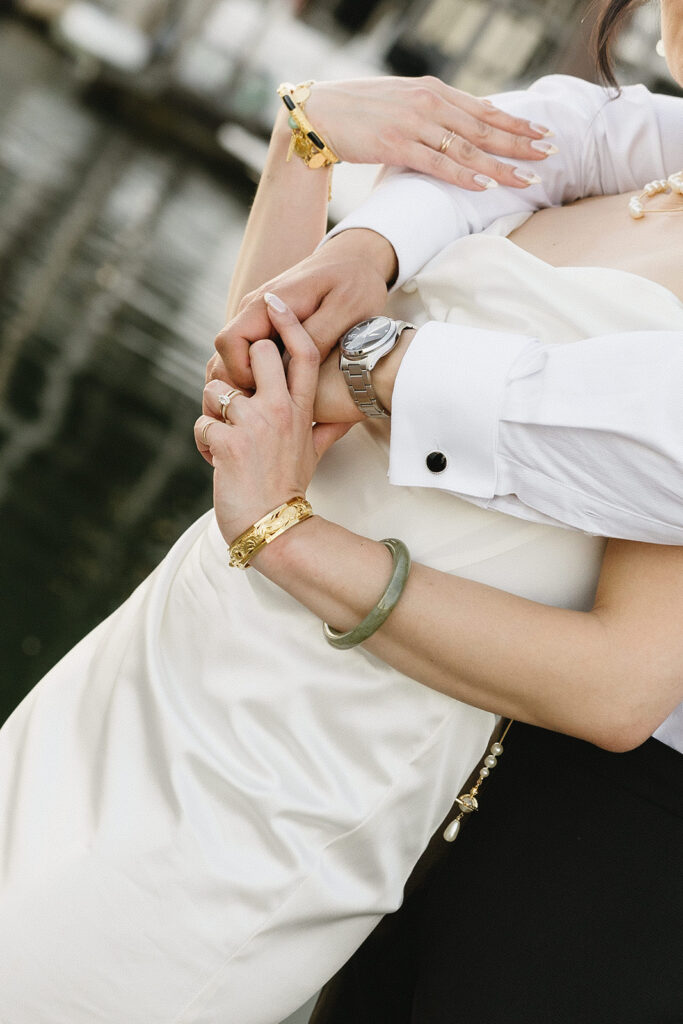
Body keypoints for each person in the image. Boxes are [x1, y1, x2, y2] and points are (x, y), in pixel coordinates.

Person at [0, 6, 681, 1024]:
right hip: (175, 641)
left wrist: (297, 508)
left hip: (297, 763)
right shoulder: (611, 145)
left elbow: (620, 680)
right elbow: (248, 381)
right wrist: (300, 144)